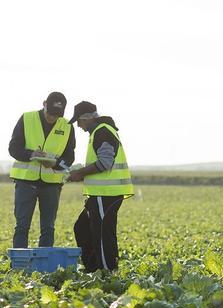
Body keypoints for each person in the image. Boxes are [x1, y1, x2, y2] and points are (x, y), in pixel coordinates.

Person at [66, 101, 134, 272]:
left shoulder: (102, 132)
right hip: (99, 195)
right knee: (82, 228)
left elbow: (105, 163)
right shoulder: (99, 131)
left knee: (103, 235)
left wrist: (79, 173)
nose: (79, 126)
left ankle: (106, 272)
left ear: (87, 118)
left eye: (79, 121)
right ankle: (93, 268)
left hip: (107, 194)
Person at [8, 91, 75, 248]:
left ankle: (44, 267)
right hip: (25, 182)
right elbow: (13, 149)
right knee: (22, 226)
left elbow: (69, 158)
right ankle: (20, 265)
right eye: (50, 113)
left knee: (48, 228)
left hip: (52, 184)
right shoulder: (26, 118)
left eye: (56, 115)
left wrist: (56, 164)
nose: (52, 118)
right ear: (44, 103)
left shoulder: (67, 126)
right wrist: (31, 154)